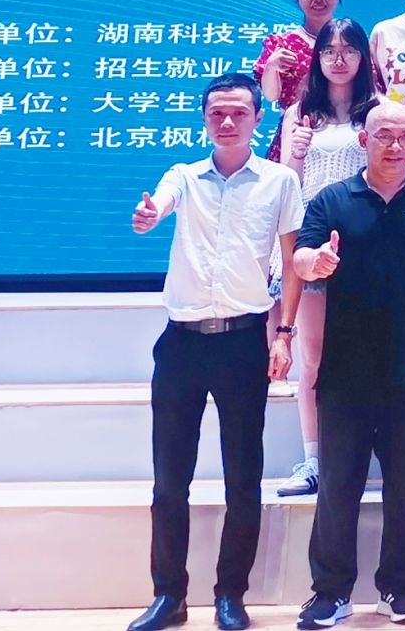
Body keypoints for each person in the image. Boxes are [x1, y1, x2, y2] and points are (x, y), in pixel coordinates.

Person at [126, 73, 304, 631]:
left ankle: (231, 594)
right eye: (216, 113)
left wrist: (284, 333)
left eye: (238, 113)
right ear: (204, 119)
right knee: (169, 480)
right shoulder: (183, 175)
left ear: (257, 119)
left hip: (243, 342)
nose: (227, 122)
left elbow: (291, 262)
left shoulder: (279, 181)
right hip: (180, 344)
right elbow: (159, 205)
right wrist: (149, 215)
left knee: (242, 477)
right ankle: (168, 596)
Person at [290, 103, 405, 630]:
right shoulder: (333, 200)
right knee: (337, 486)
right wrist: (316, 263)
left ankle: (399, 589)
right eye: (384, 135)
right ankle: (330, 593)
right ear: (364, 140)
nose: (395, 145)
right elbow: (301, 256)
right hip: (345, 372)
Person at [274, 18, 373, 499]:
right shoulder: (300, 112)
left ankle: (357, 455)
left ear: (363, 57)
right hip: (312, 243)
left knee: (364, 355)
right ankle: (313, 458)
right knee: (312, 356)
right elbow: (286, 184)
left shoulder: (376, 111)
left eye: (348, 49)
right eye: (329, 50)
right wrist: (295, 153)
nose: (338, 58)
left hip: (365, 246)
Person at [256, 0, 341, 159]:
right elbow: (271, 95)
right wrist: (272, 66)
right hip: (294, 136)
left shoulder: (352, 42)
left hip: (344, 136)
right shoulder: (282, 43)